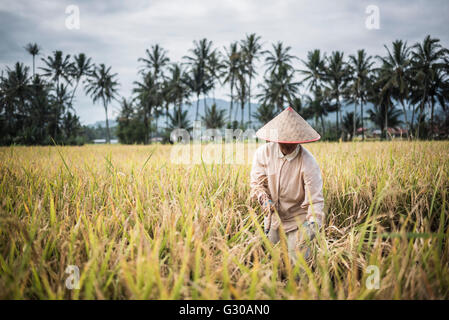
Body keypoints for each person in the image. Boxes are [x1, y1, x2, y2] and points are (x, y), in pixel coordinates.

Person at [250, 107, 325, 263]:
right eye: (284, 140)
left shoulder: (308, 163)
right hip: (272, 218)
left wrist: (311, 226)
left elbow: (315, 201)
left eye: (292, 142)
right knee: (271, 262)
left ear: (299, 140)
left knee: (298, 265)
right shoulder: (263, 154)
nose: (288, 145)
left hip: (298, 222)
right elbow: (257, 184)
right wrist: (263, 198)